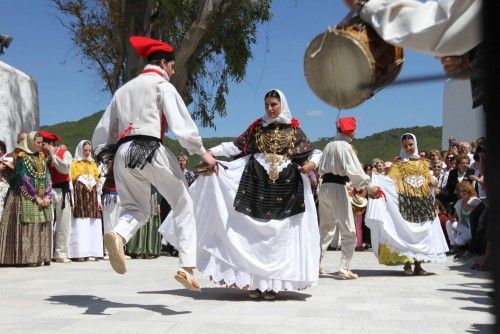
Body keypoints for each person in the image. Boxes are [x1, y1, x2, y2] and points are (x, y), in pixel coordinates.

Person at [161, 89, 322, 300]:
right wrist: (212, 152)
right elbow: (235, 147)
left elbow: (315, 152)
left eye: (273, 104)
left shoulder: (295, 131)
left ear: (282, 104)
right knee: (252, 237)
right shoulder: (257, 128)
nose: (270, 108)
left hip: (286, 189)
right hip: (255, 184)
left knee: (278, 237)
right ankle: (255, 284)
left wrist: (310, 164)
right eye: (267, 105)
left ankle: (272, 285)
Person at [92, 35, 217, 291]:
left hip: (123, 152)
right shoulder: (161, 85)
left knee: (136, 208)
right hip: (149, 148)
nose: (172, 71)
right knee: (183, 204)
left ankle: (118, 235)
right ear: (162, 62)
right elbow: (181, 126)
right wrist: (202, 153)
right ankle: (187, 267)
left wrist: (106, 155)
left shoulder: (123, 90)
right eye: (172, 66)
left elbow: (104, 131)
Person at [366, 133, 449, 275]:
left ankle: (418, 265)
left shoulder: (423, 162)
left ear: (415, 144)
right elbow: (389, 181)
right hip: (406, 202)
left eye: (411, 145)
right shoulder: (398, 164)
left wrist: (433, 180)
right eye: (405, 146)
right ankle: (407, 263)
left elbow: (430, 177)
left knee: (423, 233)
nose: (408, 148)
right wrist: (376, 179)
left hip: (423, 203)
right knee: (408, 233)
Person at [317, 117, 382, 279]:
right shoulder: (345, 147)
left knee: (326, 228)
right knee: (349, 230)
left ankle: (315, 263)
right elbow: (355, 171)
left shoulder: (328, 145)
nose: (356, 131)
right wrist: (370, 187)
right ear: (349, 130)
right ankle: (344, 268)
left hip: (324, 187)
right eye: (354, 128)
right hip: (338, 187)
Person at [0, 131, 53, 266]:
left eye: (42, 143)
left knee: (41, 223)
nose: (41, 145)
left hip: (41, 195)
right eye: (38, 143)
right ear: (30, 142)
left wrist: (47, 195)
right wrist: (35, 196)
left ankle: (40, 256)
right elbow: (24, 179)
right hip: (25, 194)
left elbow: (47, 177)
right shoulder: (23, 158)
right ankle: (26, 257)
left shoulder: (41, 157)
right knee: (27, 224)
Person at [39, 130, 74, 264]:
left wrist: (53, 155)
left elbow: (65, 169)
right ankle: (45, 253)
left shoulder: (64, 153)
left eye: (43, 144)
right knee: (47, 222)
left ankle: (60, 253)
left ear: (50, 144)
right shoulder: (42, 156)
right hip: (48, 191)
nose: (42, 147)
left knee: (63, 223)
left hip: (62, 191)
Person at [67, 140, 103, 261]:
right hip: (79, 197)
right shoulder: (74, 163)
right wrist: (72, 200)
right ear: (80, 150)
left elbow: (98, 184)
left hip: (92, 197)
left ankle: (92, 251)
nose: (87, 153)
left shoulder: (93, 164)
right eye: (85, 150)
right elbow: (70, 183)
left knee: (92, 222)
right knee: (80, 223)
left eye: (89, 150)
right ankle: (79, 253)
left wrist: (99, 200)